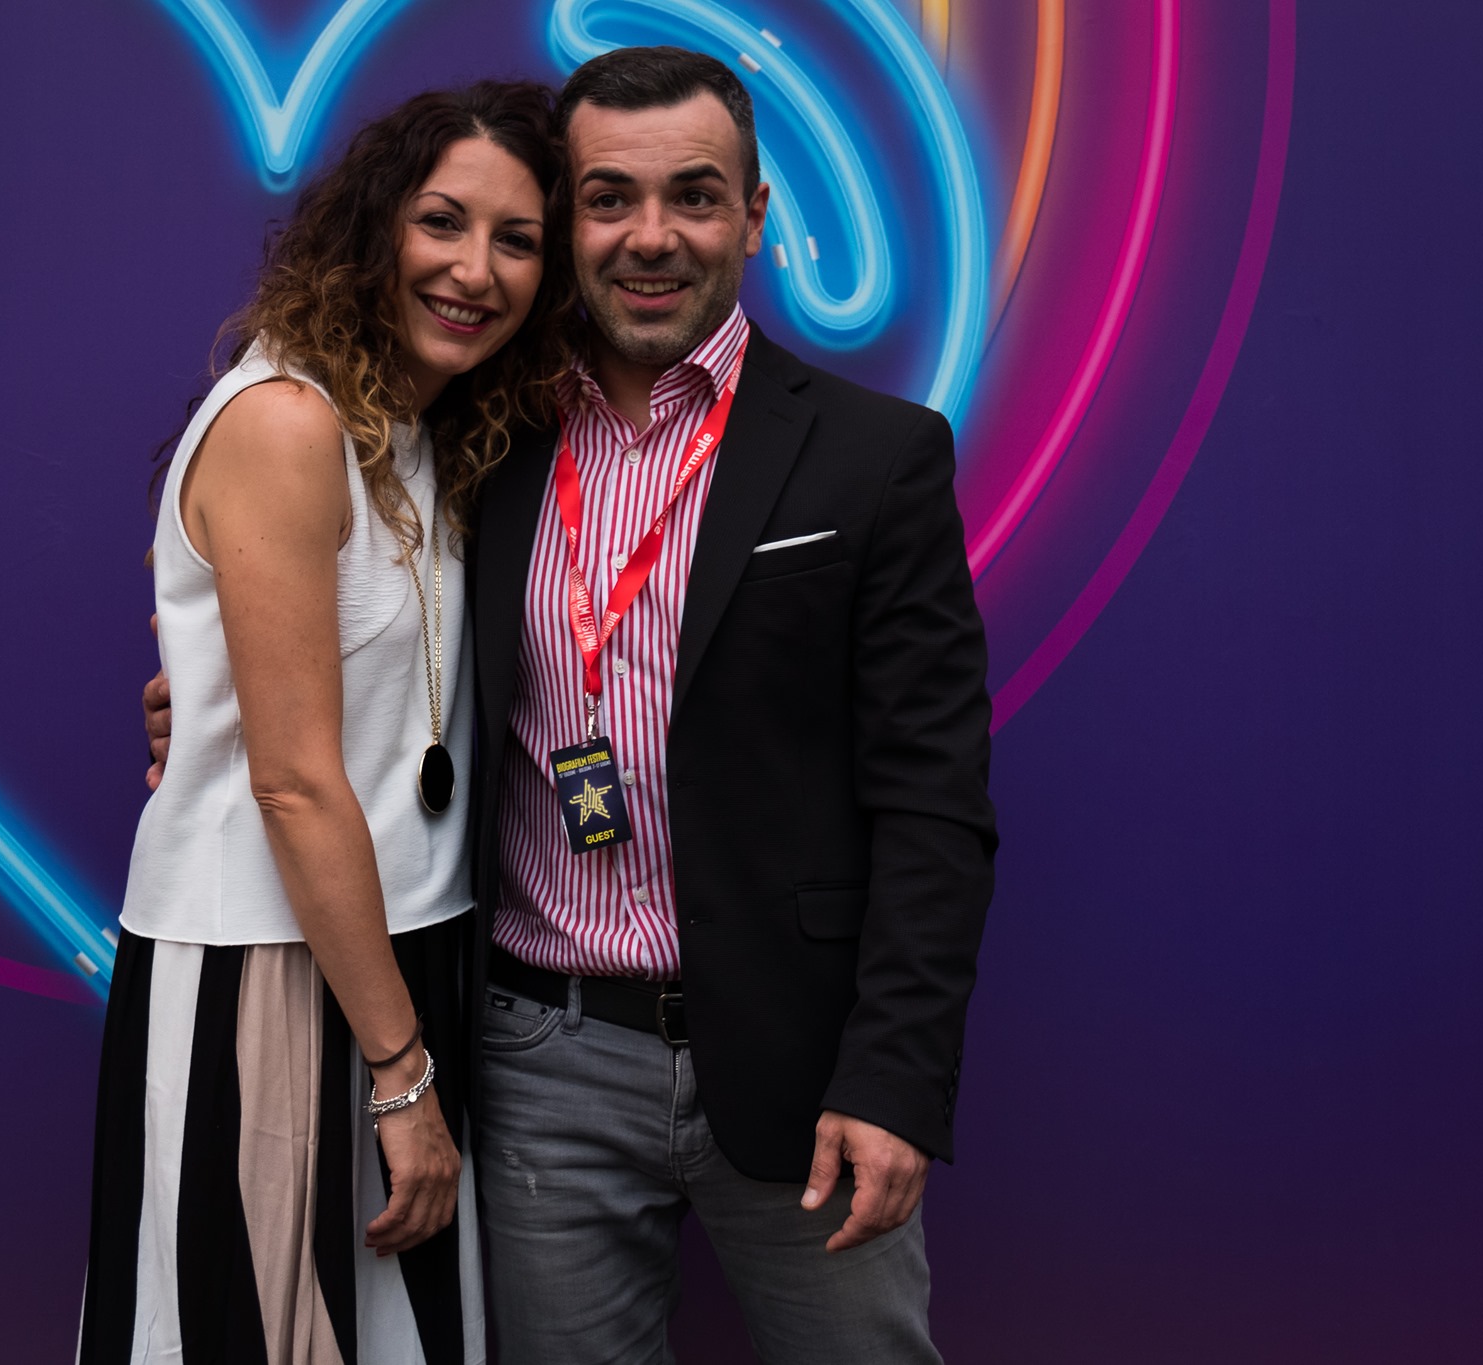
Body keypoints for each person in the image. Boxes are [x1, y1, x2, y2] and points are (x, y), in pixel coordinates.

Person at [148, 45, 994, 1365]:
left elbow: (932, 800)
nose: (650, 237)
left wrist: (896, 1077)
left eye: (694, 196)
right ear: (570, 226)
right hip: (539, 1053)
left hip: (803, 1055)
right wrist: (208, 702)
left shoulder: (875, 457)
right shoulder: (480, 438)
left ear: (756, 217)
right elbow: (361, 632)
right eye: (607, 199)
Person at [86, 81, 572, 1365]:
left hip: (406, 950)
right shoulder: (287, 421)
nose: (474, 270)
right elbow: (294, 784)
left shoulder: (431, 430)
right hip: (271, 965)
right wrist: (401, 1078)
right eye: (441, 221)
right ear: (372, 227)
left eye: (517, 240)